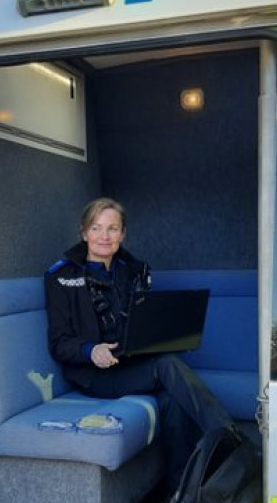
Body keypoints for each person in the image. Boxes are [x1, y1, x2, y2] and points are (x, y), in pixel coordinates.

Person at [44, 197, 235, 488]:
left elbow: (143, 323)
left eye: (112, 229)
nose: (104, 237)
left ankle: (180, 493)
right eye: (96, 228)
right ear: (84, 232)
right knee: (168, 366)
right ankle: (229, 441)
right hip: (94, 375)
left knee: (173, 401)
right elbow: (59, 343)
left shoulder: (133, 270)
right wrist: (90, 350)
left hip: (132, 363)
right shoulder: (62, 276)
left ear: (122, 234)